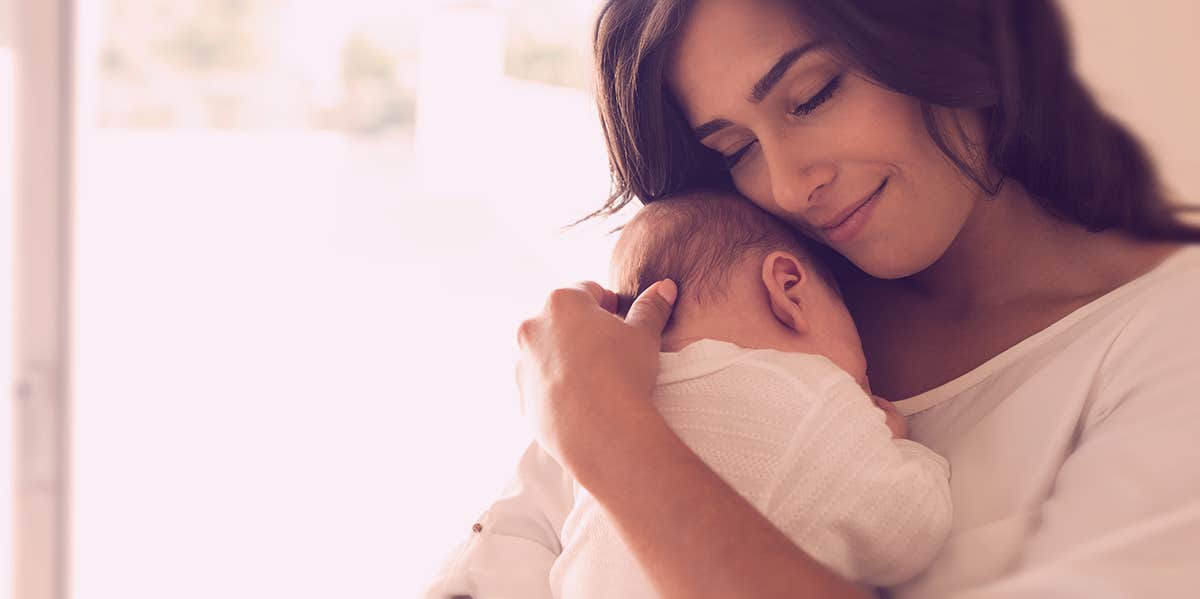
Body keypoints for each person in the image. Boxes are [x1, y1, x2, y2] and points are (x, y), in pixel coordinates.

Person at [470, 0, 1200, 597]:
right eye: (735, 149)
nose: (788, 187)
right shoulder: (735, 313)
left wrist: (608, 434)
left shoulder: (1169, 343)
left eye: (812, 96)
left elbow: (586, 449)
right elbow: (500, 559)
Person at [424, 191, 954, 598]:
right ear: (790, 289)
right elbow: (908, 537)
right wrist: (901, 449)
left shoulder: (603, 415)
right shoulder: (814, 395)